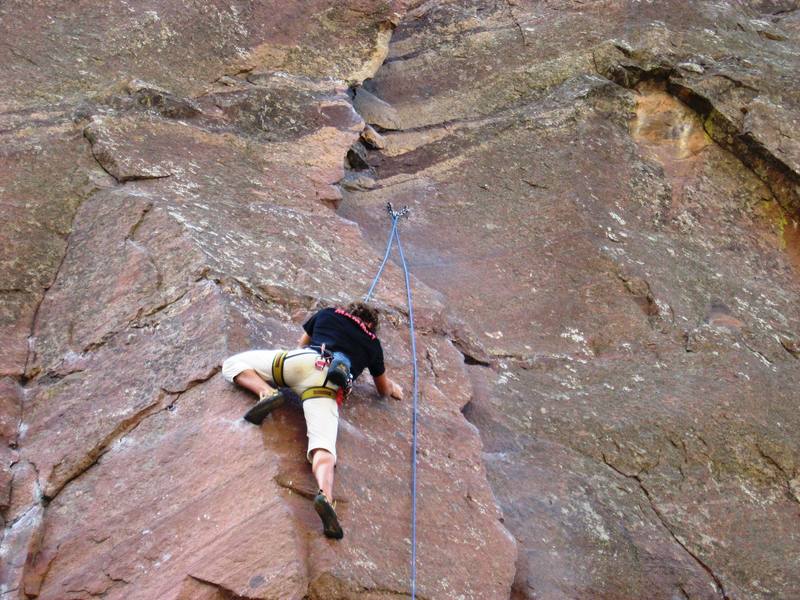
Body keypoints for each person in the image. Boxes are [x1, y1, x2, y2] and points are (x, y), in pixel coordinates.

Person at [221, 301, 403, 539]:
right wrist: (393, 388)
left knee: (232, 364)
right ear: (372, 326)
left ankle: (267, 392)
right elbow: (382, 388)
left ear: (349, 311)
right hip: (326, 385)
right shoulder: (373, 343)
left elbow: (301, 343)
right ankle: (325, 496)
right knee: (323, 447)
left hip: (303, 361)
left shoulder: (328, 314)